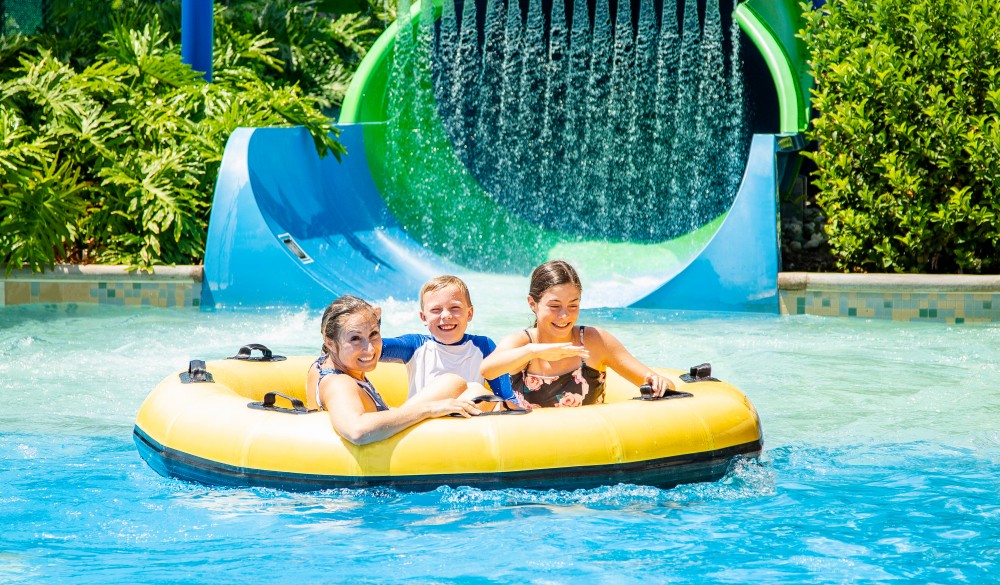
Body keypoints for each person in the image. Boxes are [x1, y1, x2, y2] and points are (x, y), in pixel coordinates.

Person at [480, 260, 675, 408]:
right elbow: (487, 370)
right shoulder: (522, 343)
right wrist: (534, 352)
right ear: (533, 304)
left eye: (573, 305)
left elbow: (661, 383)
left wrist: (658, 382)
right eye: (554, 306)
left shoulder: (594, 341)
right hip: (533, 450)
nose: (564, 315)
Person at [306, 295, 484, 445]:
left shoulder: (322, 363)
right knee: (472, 392)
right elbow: (357, 431)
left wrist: (370, 317)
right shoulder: (338, 383)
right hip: (382, 471)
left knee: (461, 385)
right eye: (355, 339)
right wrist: (429, 409)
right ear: (330, 342)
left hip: (385, 447)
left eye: (373, 334)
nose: (370, 349)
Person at [380, 275, 517, 405]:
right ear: (423, 317)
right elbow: (375, 349)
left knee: (477, 391)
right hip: (422, 424)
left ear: (469, 314)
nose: (446, 315)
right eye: (436, 310)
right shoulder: (415, 346)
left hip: (464, 425)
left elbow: (507, 396)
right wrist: (373, 325)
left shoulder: (484, 347)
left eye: (454, 308)